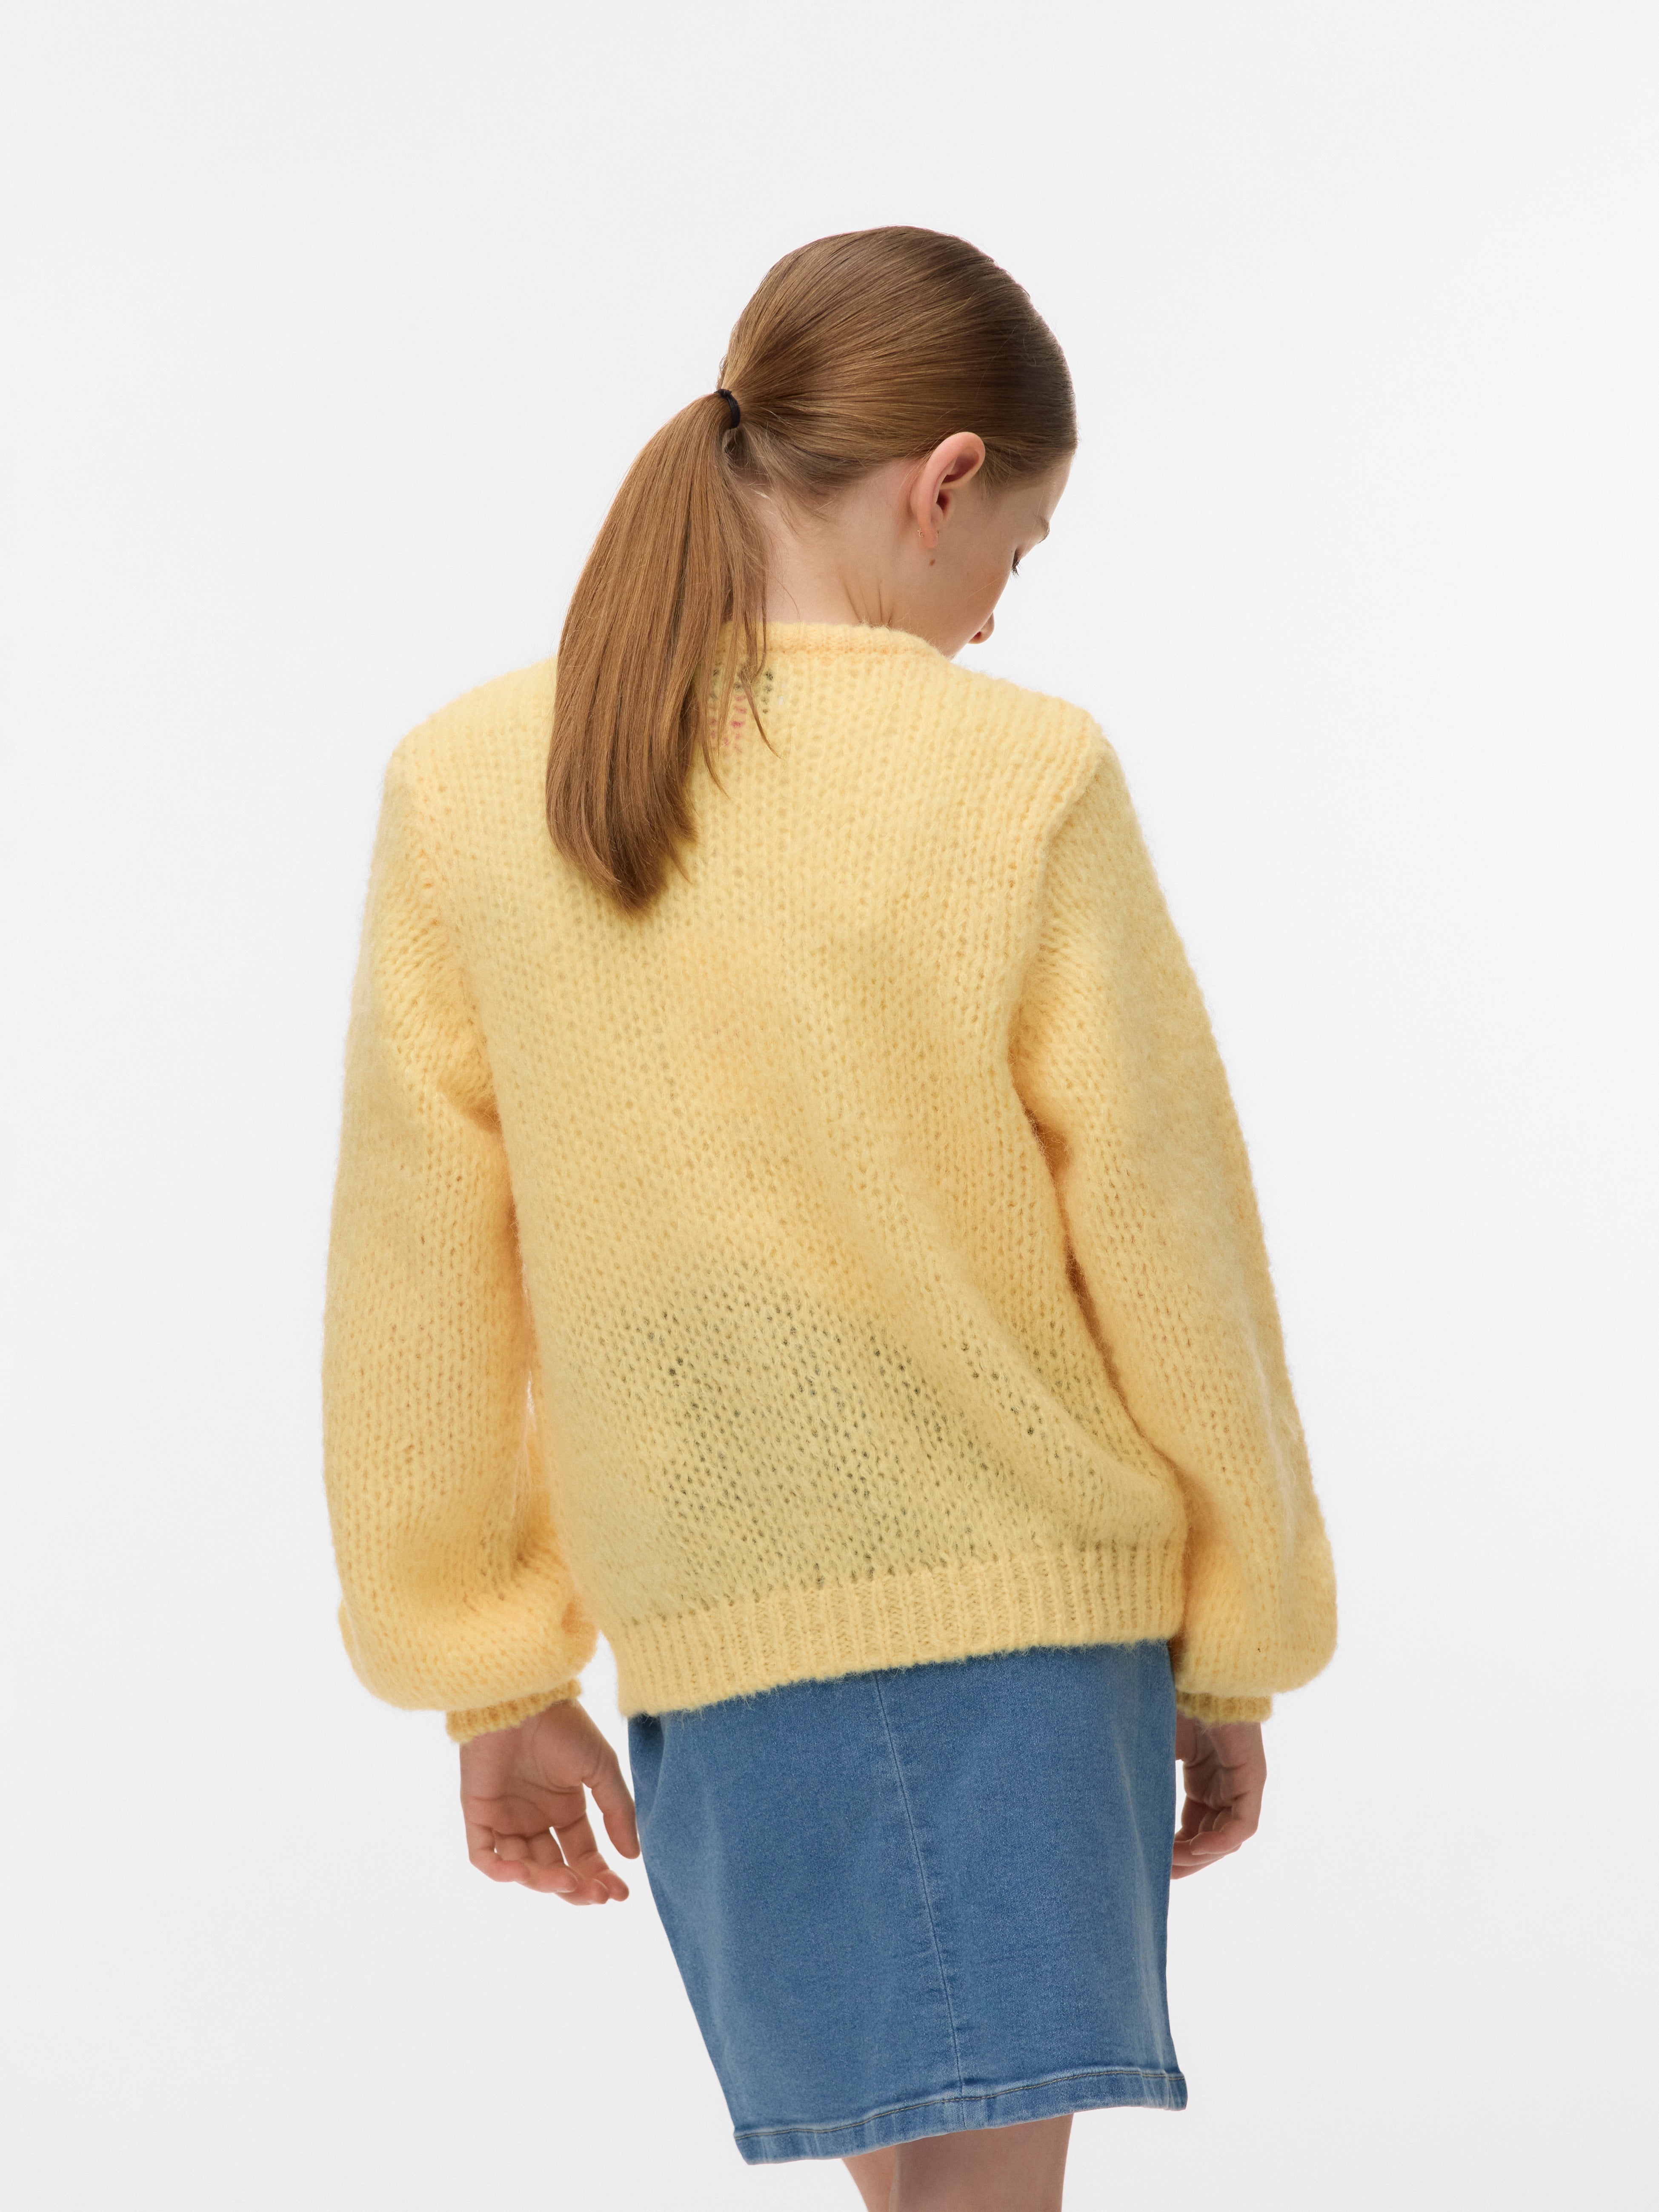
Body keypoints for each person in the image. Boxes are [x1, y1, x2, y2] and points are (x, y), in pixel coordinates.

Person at [321, 224, 1338, 2212]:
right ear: (944, 482)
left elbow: (415, 1276)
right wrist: (1240, 1633)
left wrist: (487, 1670)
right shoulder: (1013, 774)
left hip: (719, 1665)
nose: (993, 614)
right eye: (1016, 555)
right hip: (1021, 1635)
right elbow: (1168, 1236)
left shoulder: (474, 785)